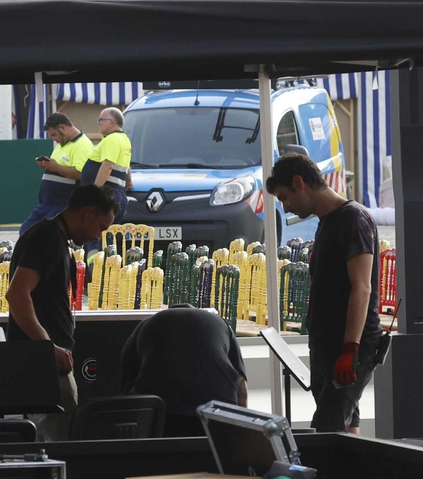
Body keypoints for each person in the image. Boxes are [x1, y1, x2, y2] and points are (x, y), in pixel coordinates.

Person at [266, 152, 382, 433]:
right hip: (328, 347)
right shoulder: (327, 221)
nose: (286, 206)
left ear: (299, 182)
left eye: (284, 197)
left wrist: (350, 349)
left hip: (348, 347)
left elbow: (362, 287)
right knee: (345, 423)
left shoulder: (353, 219)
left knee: (328, 430)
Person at [5, 184, 118, 440]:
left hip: (47, 360)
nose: (98, 237)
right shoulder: (46, 240)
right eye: (101, 227)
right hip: (44, 364)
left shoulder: (51, 238)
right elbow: (17, 295)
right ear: (88, 213)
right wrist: (48, 347)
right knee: (55, 446)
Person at [117, 304, 247, 436]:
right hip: (216, 412)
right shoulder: (221, 323)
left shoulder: (144, 325)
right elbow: (241, 386)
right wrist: (242, 433)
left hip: (161, 415)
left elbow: (125, 389)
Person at [20, 112, 94, 234]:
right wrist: (47, 165)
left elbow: (80, 173)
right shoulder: (62, 144)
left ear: (63, 127)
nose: (54, 139)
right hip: (46, 204)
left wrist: (55, 167)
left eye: (54, 134)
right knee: (26, 229)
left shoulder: (83, 145)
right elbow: (57, 168)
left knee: (45, 234)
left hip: (62, 204)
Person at [80, 106, 131, 212]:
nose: (98, 123)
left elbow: (107, 166)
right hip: (116, 194)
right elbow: (127, 164)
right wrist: (129, 180)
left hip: (106, 196)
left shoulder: (112, 139)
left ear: (111, 122)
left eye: (101, 120)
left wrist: (96, 191)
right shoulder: (124, 139)